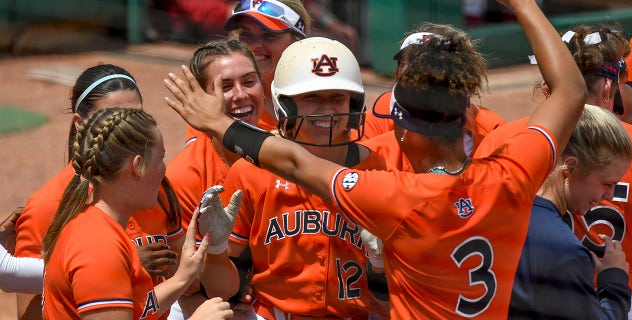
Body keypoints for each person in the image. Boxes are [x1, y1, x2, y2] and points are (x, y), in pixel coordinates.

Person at [163, 0, 588, 317]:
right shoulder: (509, 174)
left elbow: (293, 165)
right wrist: (524, 3)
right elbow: (570, 90)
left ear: (399, 129)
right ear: (466, 118)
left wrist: (219, 126)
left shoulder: (392, 189)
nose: (326, 110)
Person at [199, 36, 388, 319]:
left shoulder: (377, 169)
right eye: (312, 97)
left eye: (338, 97)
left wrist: (381, 264)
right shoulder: (251, 170)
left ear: (355, 102)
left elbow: (393, 299)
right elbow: (222, 290)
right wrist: (215, 250)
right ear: (285, 103)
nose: (327, 109)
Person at [14, 64, 184, 319]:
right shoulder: (47, 206)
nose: (129, 132)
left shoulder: (154, 188)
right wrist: (121, 265)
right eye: (113, 117)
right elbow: (29, 313)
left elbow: (184, 281)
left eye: (135, 117)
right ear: (80, 124)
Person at [40, 107, 230, 320]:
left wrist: (182, 277)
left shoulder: (94, 224)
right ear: (137, 166)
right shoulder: (99, 247)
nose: (163, 170)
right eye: (160, 159)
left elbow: (134, 308)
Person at [163, 39, 265, 318]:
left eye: (249, 81)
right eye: (226, 86)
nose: (241, 94)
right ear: (200, 99)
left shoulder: (282, 149)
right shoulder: (186, 175)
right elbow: (189, 286)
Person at [507, 104, 632, 318]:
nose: (610, 196)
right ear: (571, 168)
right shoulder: (562, 249)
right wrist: (614, 280)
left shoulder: (506, 204)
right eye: (607, 184)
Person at [362, 24, 505, 165]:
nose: (415, 71)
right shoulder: (377, 120)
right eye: (408, 61)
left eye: (432, 65)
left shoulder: (491, 130)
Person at [223, 0, 311, 128]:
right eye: (246, 35)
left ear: (297, 41)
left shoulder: (320, 93)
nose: (254, 45)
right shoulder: (221, 100)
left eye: (269, 35)